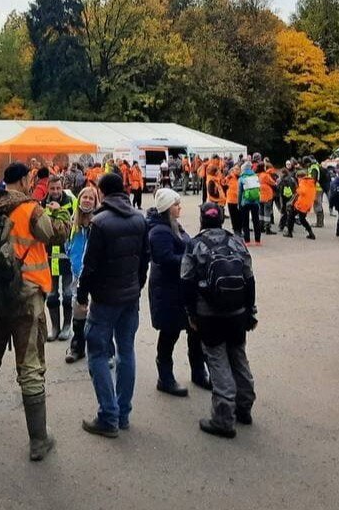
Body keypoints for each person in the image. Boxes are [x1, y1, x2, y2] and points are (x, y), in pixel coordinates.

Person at [0, 162, 69, 461]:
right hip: (26, 297)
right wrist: (60, 212)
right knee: (30, 367)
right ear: (24, 180)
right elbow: (56, 235)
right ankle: (38, 441)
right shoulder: (30, 209)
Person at [78, 172, 149, 438]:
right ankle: (123, 413)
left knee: (97, 353)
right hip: (130, 297)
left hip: (106, 299)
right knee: (126, 352)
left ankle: (108, 416)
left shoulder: (100, 222)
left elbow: (90, 265)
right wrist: (137, 286)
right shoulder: (139, 219)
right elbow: (145, 259)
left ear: (102, 192)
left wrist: (83, 296)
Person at [180, 202, 256, 439]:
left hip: (209, 313)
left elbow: (186, 281)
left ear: (202, 219)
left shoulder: (195, 244)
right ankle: (244, 407)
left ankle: (223, 417)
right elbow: (249, 277)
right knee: (238, 354)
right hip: (237, 311)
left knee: (217, 359)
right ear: (222, 219)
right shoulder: (236, 241)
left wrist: (191, 314)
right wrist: (250, 311)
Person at [147, 188, 209, 398]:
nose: (180, 207)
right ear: (167, 208)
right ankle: (165, 378)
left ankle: (198, 372)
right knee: (170, 333)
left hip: (180, 288)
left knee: (195, 331)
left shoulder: (173, 226)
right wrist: (191, 260)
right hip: (167, 290)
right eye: (176, 204)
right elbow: (164, 259)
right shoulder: (160, 231)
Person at [64, 184, 98, 363]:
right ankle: (77, 347)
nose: (87, 200)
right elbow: (67, 244)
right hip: (77, 274)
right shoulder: (72, 223)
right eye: (84, 197)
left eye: (90, 198)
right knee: (78, 312)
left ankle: (105, 350)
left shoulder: (99, 223)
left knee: (99, 314)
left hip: (96, 276)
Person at [44, 174, 76, 343]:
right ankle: (55, 327)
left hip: (68, 254)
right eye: (52, 188)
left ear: (62, 186)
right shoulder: (42, 204)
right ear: (48, 188)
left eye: (58, 188)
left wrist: (59, 210)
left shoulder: (72, 201)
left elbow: (75, 224)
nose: (55, 191)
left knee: (68, 293)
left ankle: (66, 326)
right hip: (51, 256)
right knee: (52, 294)